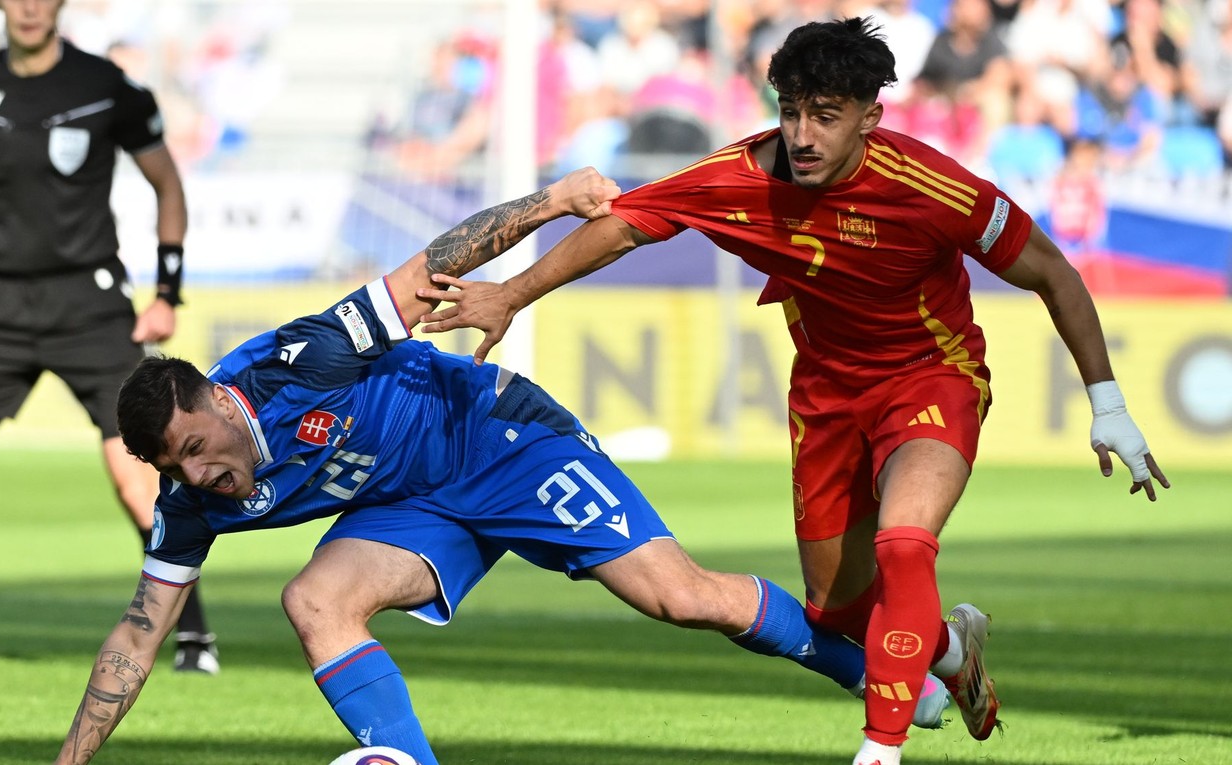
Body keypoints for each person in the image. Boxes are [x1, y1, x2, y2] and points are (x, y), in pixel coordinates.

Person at [415, 18, 1169, 765]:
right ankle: (947, 644)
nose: (803, 134)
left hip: (930, 378)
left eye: (826, 117)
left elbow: (1052, 272)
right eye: (791, 111)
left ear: (871, 119)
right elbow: (624, 228)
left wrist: (1109, 406)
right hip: (826, 397)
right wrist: (512, 293)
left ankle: (880, 747)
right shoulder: (735, 178)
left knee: (905, 542)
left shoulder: (932, 187)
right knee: (835, 610)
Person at [52, 167, 955, 765]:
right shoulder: (190, 504)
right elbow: (138, 634)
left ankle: (875, 670)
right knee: (313, 599)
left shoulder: (301, 360)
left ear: (213, 398)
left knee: (683, 597)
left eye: (200, 449)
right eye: (178, 468)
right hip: (412, 501)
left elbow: (431, 267)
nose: (204, 475)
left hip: (497, 437)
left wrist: (557, 199)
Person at [0, 0, 218, 672]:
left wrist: (167, 292)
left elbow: (166, 183)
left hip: (90, 308)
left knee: (137, 482)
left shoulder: (106, 86)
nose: (30, 6)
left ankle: (193, 633)